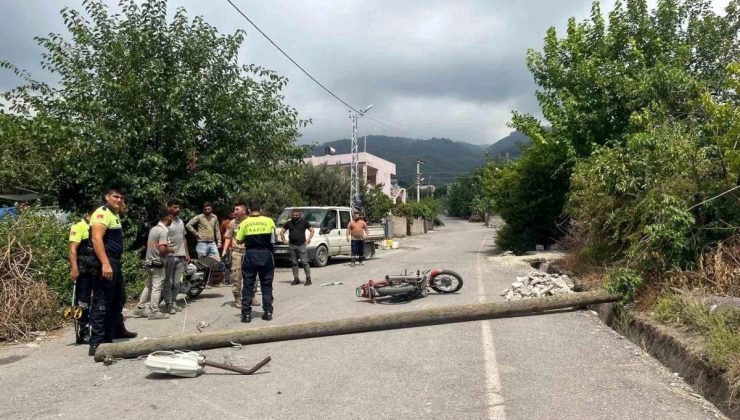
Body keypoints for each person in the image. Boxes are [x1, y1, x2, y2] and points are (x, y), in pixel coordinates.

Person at [88, 187, 137, 357]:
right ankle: (97, 343)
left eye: (122, 197)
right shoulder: (101, 213)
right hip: (106, 261)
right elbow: (96, 239)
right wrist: (105, 263)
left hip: (114, 261)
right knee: (102, 302)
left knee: (118, 299)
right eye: (116, 196)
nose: (119, 200)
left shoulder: (114, 214)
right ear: (107, 197)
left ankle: (111, 335)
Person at [235, 200, 276, 323]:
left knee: (248, 284)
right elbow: (274, 240)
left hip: (250, 255)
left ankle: (246, 314)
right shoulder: (269, 221)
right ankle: (268, 312)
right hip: (266, 255)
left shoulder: (245, 223)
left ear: (248, 211)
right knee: (266, 285)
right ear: (261, 210)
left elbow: (239, 241)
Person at [133, 214, 174, 320]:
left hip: (149, 262)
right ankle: (154, 311)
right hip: (158, 263)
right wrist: (172, 249)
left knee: (149, 286)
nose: (172, 221)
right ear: (168, 218)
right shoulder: (163, 231)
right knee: (157, 287)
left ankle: (140, 307)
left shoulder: (154, 229)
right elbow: (162, 250)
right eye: (171, 219)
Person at [68, 204, 97, 344]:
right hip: (83, 268)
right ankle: (82, 332)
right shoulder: (78, 226)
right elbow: (72, 249)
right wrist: (74, 268)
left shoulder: (98, 227)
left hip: (96, 268)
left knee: (98, 299)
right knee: (82, 301)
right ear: (87, 214)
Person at [222, 203, 261, 307]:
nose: (234, 211)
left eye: (236, 209)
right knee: (236, 275)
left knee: (252, 275)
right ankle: (238, 298)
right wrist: (224, 251)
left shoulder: (251, 222)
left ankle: (251, 296)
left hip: (250, 252)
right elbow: (228, 237)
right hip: (237, 252)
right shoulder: (232, 222)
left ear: (243, 211)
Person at [164, 199, 190, 315]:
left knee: (177, 283)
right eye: (175, 207)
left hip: (180, 256)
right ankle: (168, 304)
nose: (177, 209)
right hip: (169, 256)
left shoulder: (180, 221)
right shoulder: (165, 222)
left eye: (178, 207)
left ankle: (174, 302)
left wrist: (187, 253)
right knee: (168, 282)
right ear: (169, 208)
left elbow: (183, 238)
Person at [280, 209, 315, 286]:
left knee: (304, 262)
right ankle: (296, 279)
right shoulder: (289, 223)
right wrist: (284, 240)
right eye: (293, 215)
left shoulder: (304, 222)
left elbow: (312, 231)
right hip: (292, 245)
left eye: (296, 215)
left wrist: (308, 240)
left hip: (301, 245)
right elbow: (282, 231)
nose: (295, 216)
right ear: (291, 215)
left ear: (299, 215)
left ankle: (308, 279)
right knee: (294, 263)